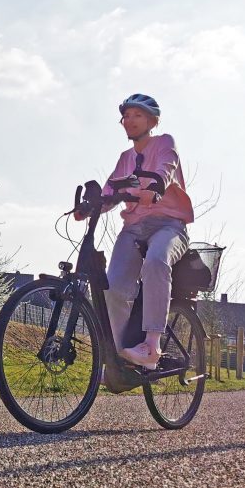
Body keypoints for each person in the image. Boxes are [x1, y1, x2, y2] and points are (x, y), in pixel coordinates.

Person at [98, 93, 194, 369]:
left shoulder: (164, 142)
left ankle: (151, 347)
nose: (130, 120)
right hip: (134, 228)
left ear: (152, 120)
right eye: (126, 116)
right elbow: (110, 190)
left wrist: (157, 186)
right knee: (112, 287)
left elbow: (167, 167)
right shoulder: (125, 158)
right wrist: (91, 206)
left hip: (169, 224)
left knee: (155, 261)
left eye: (137, 115)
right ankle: (119, 360)